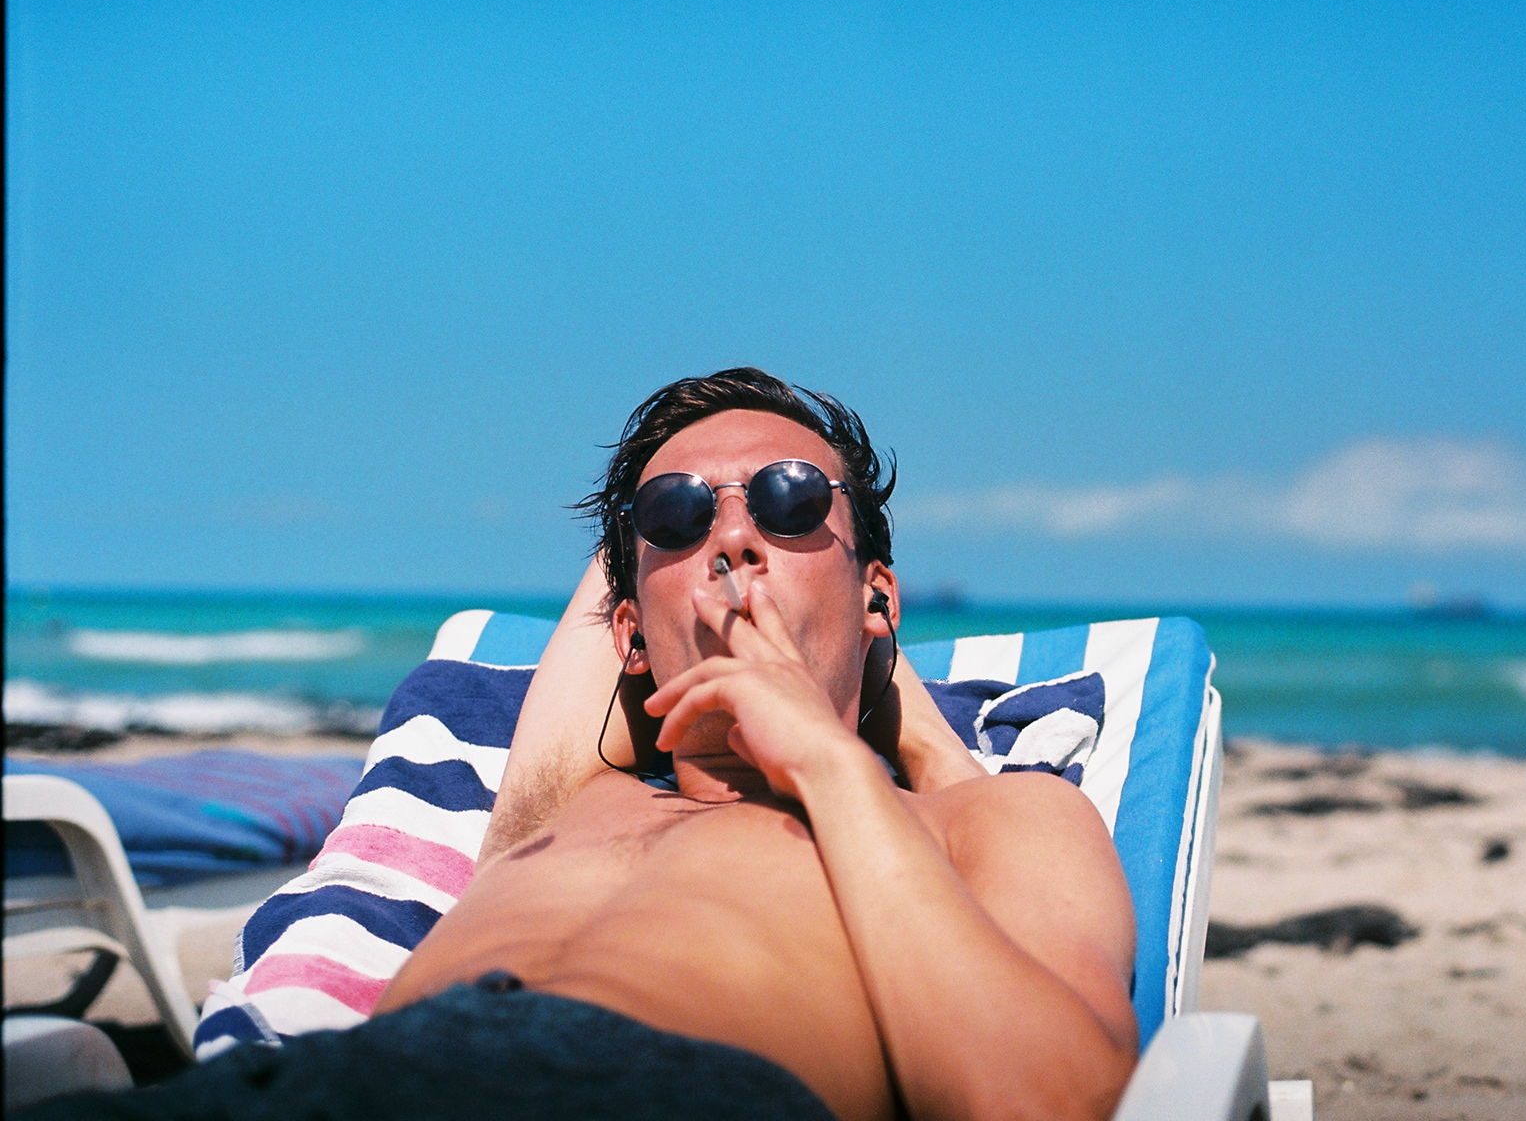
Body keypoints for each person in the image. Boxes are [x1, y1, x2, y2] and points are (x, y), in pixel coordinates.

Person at [30, 369, 1137, 1121]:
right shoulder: (566, 803)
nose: (735, 537)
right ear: (627, 634)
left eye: (793, 500)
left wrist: (833, 750)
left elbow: (1044, 1101)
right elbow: (614, 599)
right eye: (679, 516)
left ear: (881, 596)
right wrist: (662, 538)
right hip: (321, 1083)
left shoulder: (983, 820)